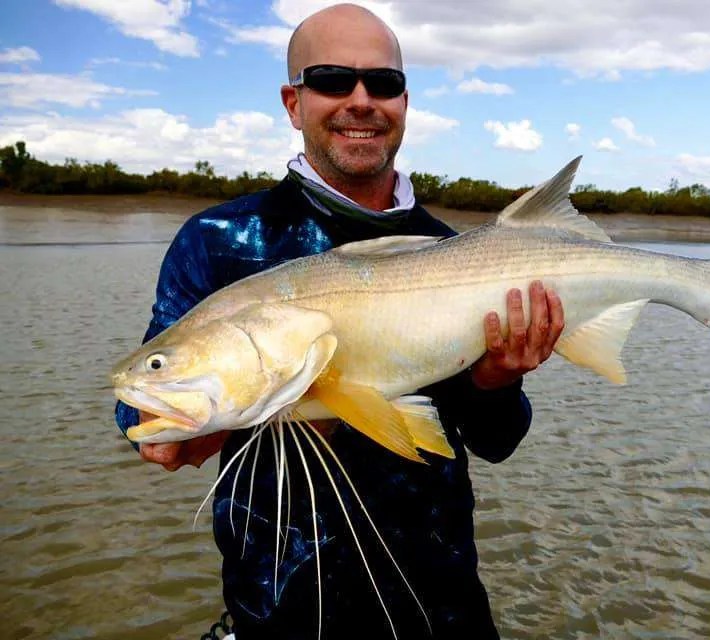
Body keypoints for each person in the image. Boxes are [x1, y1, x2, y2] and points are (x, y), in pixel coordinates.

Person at [115, 4, 564, 639]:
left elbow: (498, 440)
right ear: (293, 102)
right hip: (279, 611)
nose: (361, 100)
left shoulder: (455, 253)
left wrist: (495, 380)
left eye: (381, 84)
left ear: (404, 102)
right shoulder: (217, 241)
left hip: (442, 605)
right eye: (331, 80)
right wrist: (198, 424)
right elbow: (142, 416)